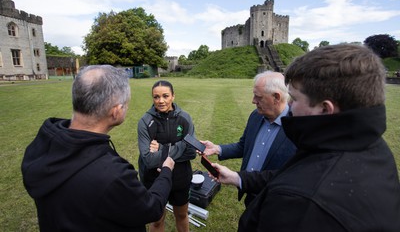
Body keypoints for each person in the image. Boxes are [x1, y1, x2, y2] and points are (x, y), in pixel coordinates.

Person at [212, 44, 400, 231]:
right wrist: (238, 177)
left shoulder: (301, 202)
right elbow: (288, 170)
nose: (290, 107)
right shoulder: (373, 148)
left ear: (325, 109)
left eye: (294, 99)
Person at [21, 65, 175, 232]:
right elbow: (151, 209)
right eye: (125, 104)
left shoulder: (43, 143)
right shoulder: (113, 176)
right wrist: (166, 170)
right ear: (116, 111)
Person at [200, 71, 296, 206]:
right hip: (250, 195)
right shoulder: (256, 116)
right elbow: (244, 146)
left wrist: (237, 178)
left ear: (276, 97)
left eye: (258, 97)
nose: (253, 101)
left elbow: (292, 174)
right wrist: (217, 149)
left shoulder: (297, 127)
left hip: (276, 201)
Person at [137, 80, 196, 232]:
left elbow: (191, 152)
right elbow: (149, 160)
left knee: (182, 216)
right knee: (157, 221)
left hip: (180, 176)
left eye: (165, 96)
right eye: (156, 97)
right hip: (154, 178)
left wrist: (162, 149)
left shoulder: (185, 118)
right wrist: (181, 145)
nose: (161, 101)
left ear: (173, 96)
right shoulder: (145, 121)